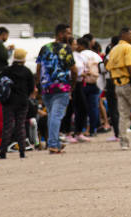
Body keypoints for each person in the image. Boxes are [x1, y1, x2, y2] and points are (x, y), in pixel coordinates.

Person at [35, 23, 78, 155]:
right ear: (61, 34)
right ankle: (53, 144)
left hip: (46, 87)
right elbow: (74, 69)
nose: (69, 36)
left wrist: (38, 84)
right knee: (56, 115)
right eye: (68, 33)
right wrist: (73, 84)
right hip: (61, 86)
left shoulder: (44, 48)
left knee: (51, 114)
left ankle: (53, 142)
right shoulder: (66, 48)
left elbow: (38, 68)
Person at [0, 49, 35, 159]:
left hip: (8, 102)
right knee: (20, 126)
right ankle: (22, 152)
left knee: (7, 126)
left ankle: (3, 152)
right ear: (23, 58)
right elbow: (31, 87)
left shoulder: (7, 71)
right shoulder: (27, 71)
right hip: (22, 102)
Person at [77, 37, 102, 140]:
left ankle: (81, 130)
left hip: (84, 83)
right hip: (96, 83)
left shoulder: (80, 55)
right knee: (94, 107)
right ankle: (93, 130)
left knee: (81, 108)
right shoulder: (96, 55)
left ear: (82, 45)